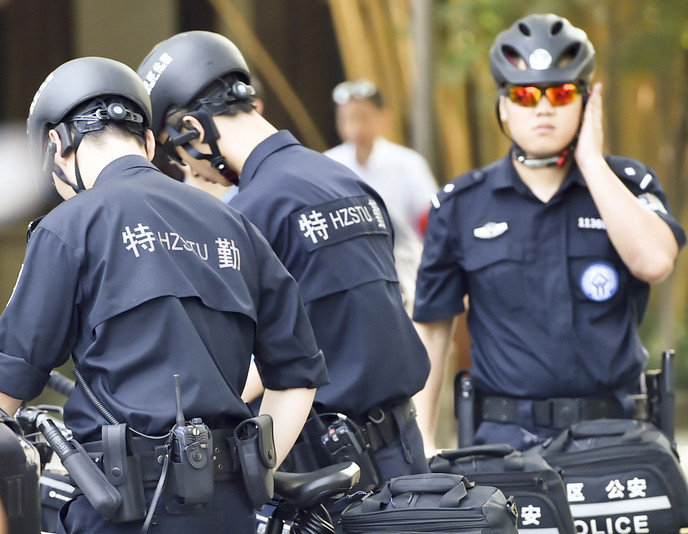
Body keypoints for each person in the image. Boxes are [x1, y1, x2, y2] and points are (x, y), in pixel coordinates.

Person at [0, 56, 328, 534]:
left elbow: (8, 386)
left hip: (121, 509)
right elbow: (298, 375)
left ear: (57, 143)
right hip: (231, 510)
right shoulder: (235, 225)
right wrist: (253, 470)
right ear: (150, 141)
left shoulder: (69, 226)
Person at [137, 31, 431, 486]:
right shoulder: (345, 180)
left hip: (325, 470)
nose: (190, 172)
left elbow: (234, 371)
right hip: (408, 458)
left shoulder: (246, 216)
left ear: (194, 132)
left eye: (180, 158)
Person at [412, 13, 687, 454]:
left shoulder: (629, 184)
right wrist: (420, 440)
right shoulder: (461, 204)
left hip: (615, 437)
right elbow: (432, 328)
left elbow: (654, 262)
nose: (543, 107)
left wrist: (593, 163)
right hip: (505, 444)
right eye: (525, 95)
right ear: (503, 105)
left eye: (560, 93)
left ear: (587, 101)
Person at [325, 79, 438, 311]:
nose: (354, 126)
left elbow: (431, 222)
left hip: (405, 268)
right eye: (346, 118)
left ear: (384, 117)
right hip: (347, 275)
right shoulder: (327, 164)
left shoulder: (408, 163)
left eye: (363, 117)